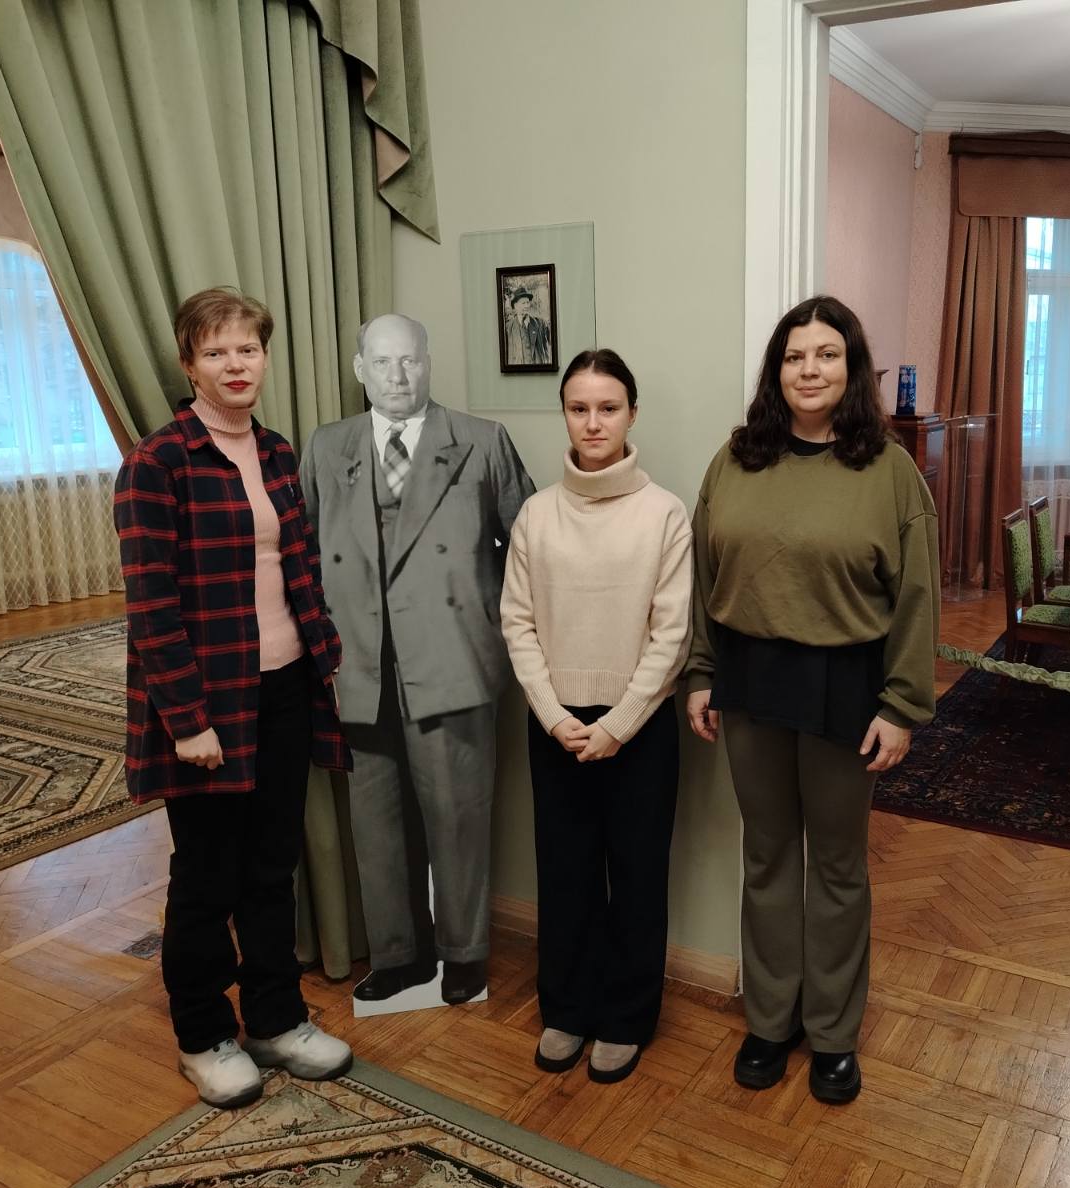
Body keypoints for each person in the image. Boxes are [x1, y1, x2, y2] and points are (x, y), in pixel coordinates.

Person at [684, 295, 940, 1105]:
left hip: (845, 687)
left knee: (835, 866)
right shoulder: (734, 461)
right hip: (749, 681)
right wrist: (700, 672)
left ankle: (831, 1033)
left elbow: (918, 598)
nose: (810, 369)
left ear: (851, 367)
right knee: (765, 857)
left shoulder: (888, 471)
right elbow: (703, 576)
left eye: (827, 354)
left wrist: (902, 705)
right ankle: (770, 1020)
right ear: (777, 370)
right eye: (795, 356)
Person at [114, 287, 353, 1109]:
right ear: (190, 365)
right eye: (216, 352)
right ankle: (202, 1034)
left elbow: (300, 569)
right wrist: (187, 721)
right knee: (207, 878)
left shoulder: (277, 453)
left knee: (271, 866)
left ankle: (276, 1021)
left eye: (247, 348)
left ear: (264, 357)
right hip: (206, 704)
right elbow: (151, 606)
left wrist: (325, 655)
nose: (235, 364)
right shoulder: (157, 464)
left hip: (285, 688)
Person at [300, 313, 535, 1007]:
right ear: (359, 369)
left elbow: (531, 551)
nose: (397, 375)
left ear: (428, 362)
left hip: (453, 662)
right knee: (376, 823)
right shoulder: (327, 446)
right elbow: (303, 555)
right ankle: (399, 955)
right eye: (382, 362)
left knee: (458, 817)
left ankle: (464, 953)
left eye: (409, 360)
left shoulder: (482, 441)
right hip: (360, 666)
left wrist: (492, 630)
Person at [499, 349, 691, 1084]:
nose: (593, 422)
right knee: (566, 870)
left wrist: (619, 723)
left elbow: (672, 634)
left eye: (608, 407)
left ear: (632, 414)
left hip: (638, 727)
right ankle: (568, 1007)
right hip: (557, 725)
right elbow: (517, 622)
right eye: (578, 408)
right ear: (564, 415)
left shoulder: (664, 513)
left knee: (637, 874)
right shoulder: (537, 513)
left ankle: (627, 1017)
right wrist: (553, 714)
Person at [504, 287, 553, 366]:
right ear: (515, 305)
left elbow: (551, 343)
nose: (527, 306)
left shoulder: (541, 324)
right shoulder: (508, 328)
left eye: (528, 302)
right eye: (523, 303)